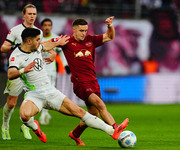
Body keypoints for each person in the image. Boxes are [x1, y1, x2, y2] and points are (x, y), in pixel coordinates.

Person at [7, 27, 129, 143]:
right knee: (24, 116)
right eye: (38, 40)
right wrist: (24, 70)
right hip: (34, 95)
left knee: (80, 112)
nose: (40, 42)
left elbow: (47, 44)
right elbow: (11, 74)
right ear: (29, 41)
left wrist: (58, 42)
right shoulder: (16, 56)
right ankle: (35, 128)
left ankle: (112, 131)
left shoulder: (37, 47)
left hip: (50, 92)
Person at [58, 16, 128, 145]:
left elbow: (109, 36)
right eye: (81, 30)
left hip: (93, 82)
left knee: (93, 114)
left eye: (85, 30)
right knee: (100, 104)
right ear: (73, 29)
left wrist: (109, 26)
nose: (84, 33)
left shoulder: (91, 40)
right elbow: (45, 44)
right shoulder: (67, 42)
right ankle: (114, 128)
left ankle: (75, 134)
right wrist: (51, 52)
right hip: (80, 84)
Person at [0, 4, 57, 140]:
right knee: (12, 103)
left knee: (37, 99)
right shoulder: (15, 30)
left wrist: (53, 53)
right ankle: (5, 126)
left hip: (33, 72)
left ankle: (26, 126)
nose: (32, 16)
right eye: (30, 14)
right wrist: (17, 46)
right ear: (23, 15)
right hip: (18, 69)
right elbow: (3, 48)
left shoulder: (39, 31)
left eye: (34, 14)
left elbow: (42, 46)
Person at [39, 18, 70, 125]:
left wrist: (66, 65)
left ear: (51, 27)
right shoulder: (38, 38)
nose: (47, 27)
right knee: (38, 92)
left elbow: (60, 52)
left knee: (48, 93)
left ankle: (44, 115)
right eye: (45, 25)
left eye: (49, 25)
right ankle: (41, 114)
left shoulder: (56, 38)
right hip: (38, 71)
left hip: (51, 71)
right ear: (42, 27)